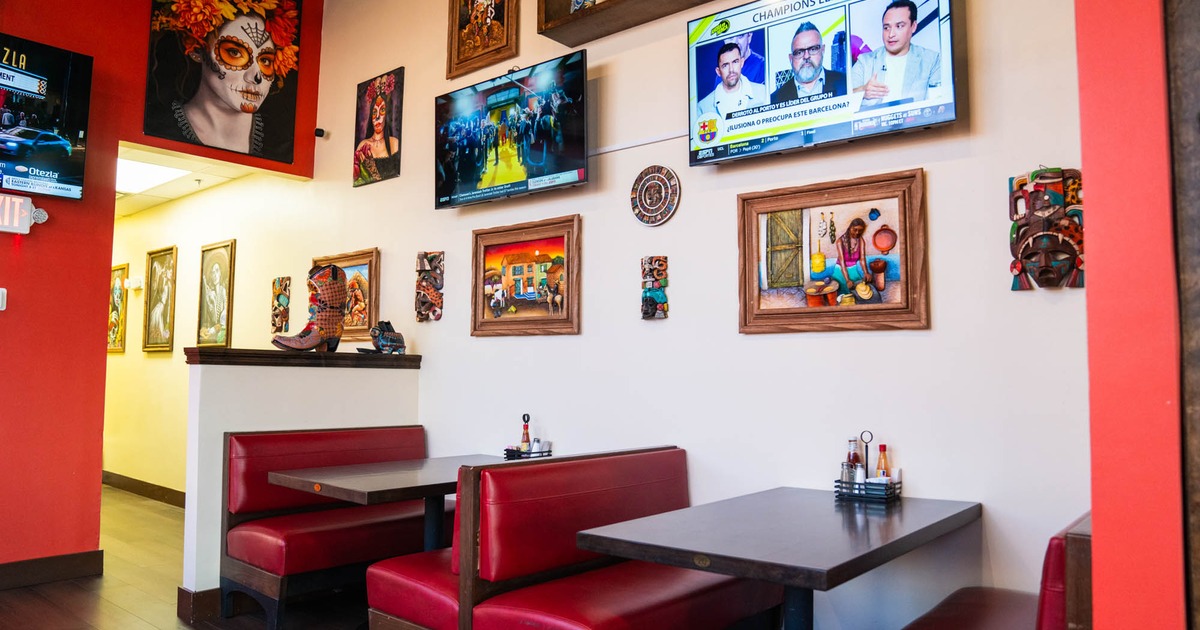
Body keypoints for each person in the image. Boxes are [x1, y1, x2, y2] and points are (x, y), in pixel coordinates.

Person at [146, 0, 300, 161]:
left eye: (266, 60)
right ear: (196, 49)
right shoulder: (158, 128)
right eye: (234, 52)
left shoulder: (281, 145)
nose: (256, 76)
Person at [851, 0, 941, 109]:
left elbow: (938, 104)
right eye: (886, 28)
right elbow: (844, 100)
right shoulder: (865, 62)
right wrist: (862, 91)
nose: (891, 34)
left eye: (899, 26)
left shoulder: (931, 60)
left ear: (913, 26)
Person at [771, 22, 847, 104]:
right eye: (799, 52)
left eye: (813, 49)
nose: (806, 56)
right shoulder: (775, 100)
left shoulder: (845, 83)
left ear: (823, 50)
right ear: (791, 58)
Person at [695, 42, 768, 119]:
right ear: (718, 71)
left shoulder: (762, 93)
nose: (731, 69)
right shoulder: (703, 107)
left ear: (742, 62)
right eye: (725, 65)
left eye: (735, 62)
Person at [354, 73, 401, 185]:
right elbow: (358, 179)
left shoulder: (394, 143)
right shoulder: (363, 145)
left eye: (382, 111)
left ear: (387, 115)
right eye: (375, 112)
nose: (378, 117)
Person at [836, 218, 871, 292]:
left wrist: (866, 273)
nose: (857, 232)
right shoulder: (840, 241)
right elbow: (842, 262)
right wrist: (847, 280)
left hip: (853, 269)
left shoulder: (861, 240)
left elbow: (862, 258)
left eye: (860, 230)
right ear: (850, 227)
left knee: (861, 290)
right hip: (841, 270)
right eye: (855, 229)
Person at [202, 261, 227, 341]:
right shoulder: (210, 294)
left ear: (220, 273)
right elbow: (211, 318)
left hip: (220, 332)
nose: (215, 275)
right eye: (212, 272)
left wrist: (214, 329)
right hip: (212, 333)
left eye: (217, 271)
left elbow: (224, 317)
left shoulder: (223, 291)